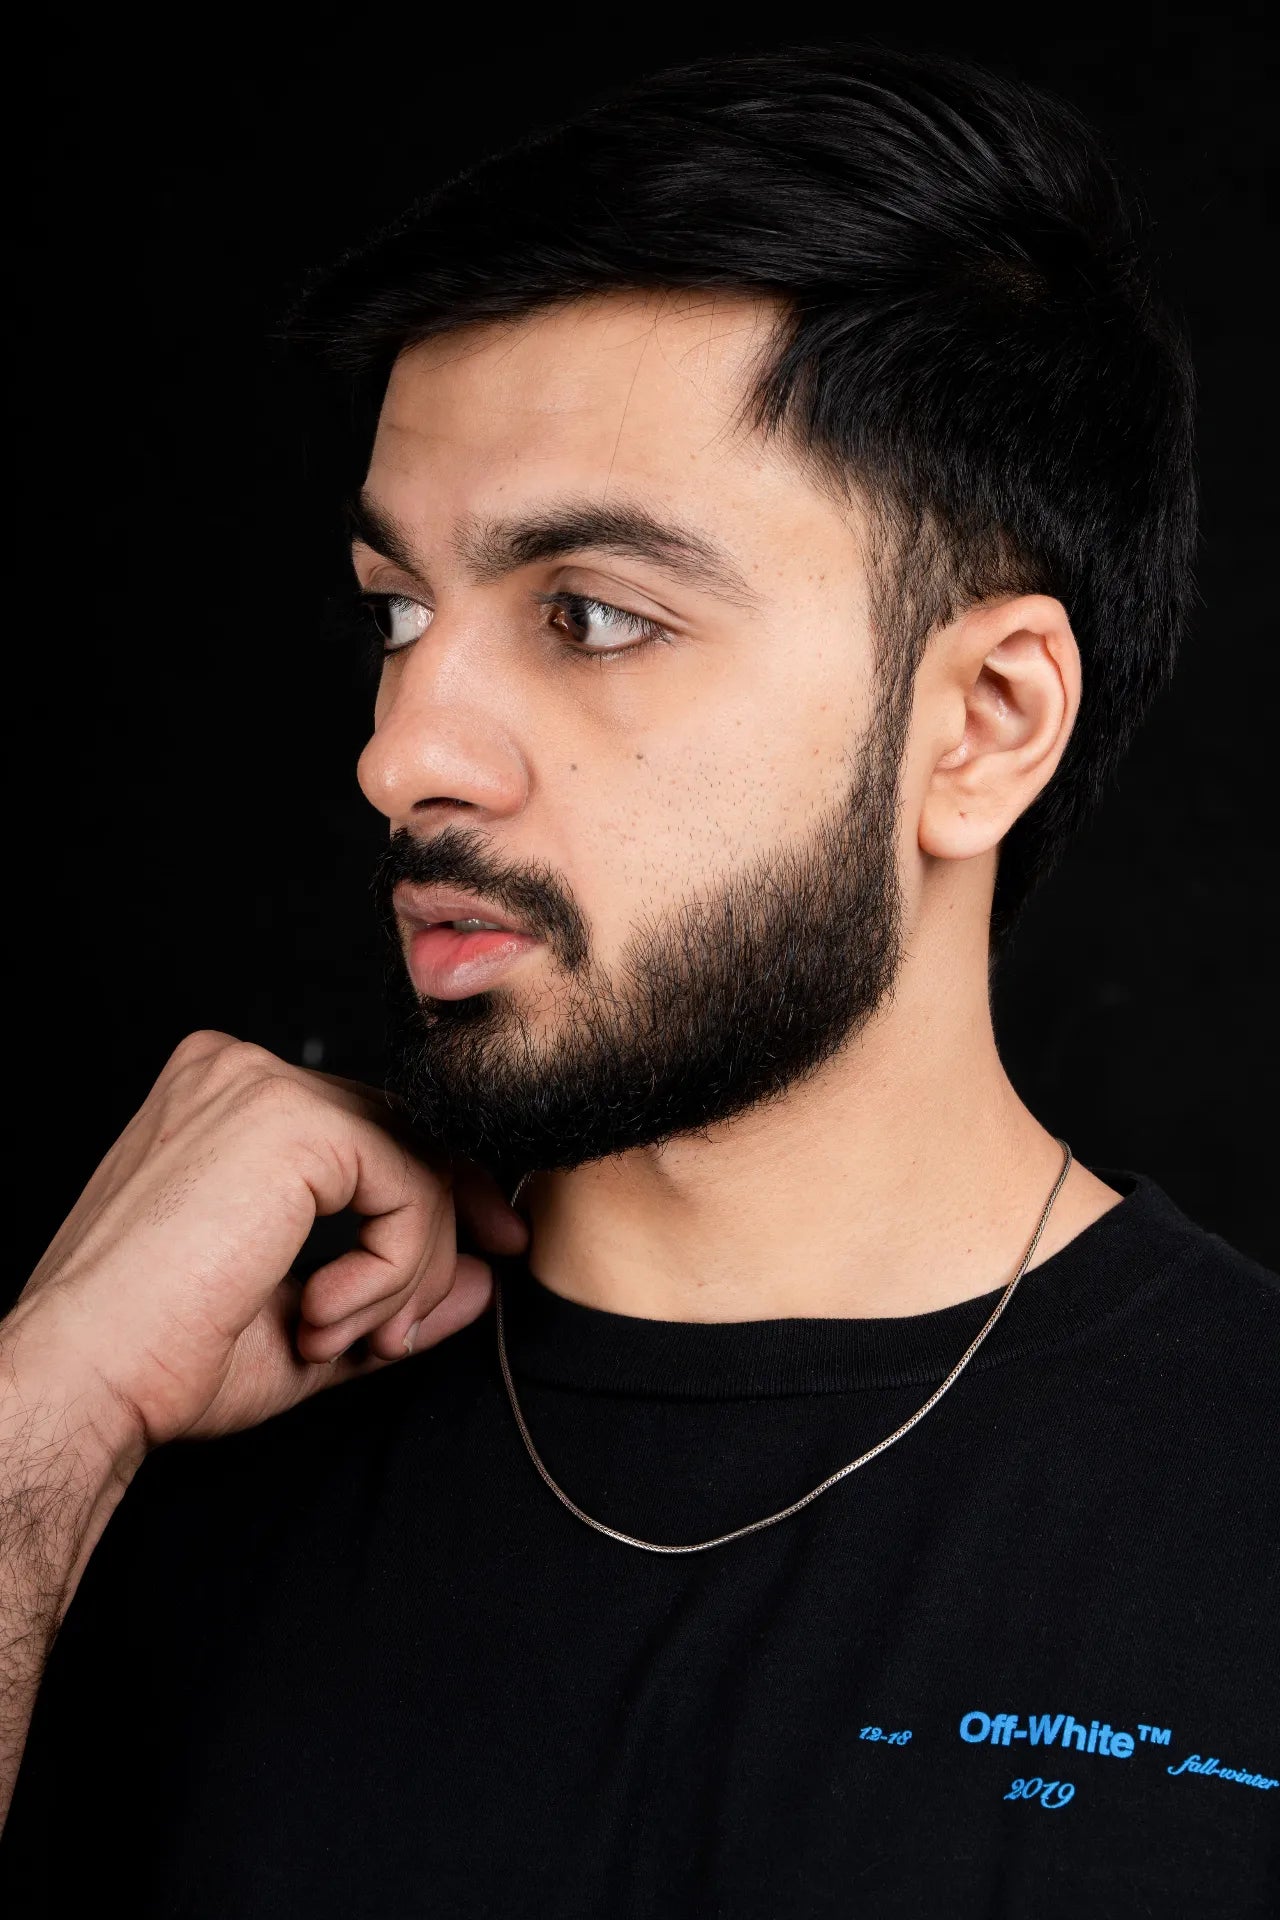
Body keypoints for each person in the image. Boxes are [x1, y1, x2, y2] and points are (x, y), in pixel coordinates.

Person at [1, 40, 1275, 1920]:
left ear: (984, 725)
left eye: (593, 615)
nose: (404, 754)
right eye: (397, 611)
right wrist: (49, 1404)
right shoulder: (142, 1427)